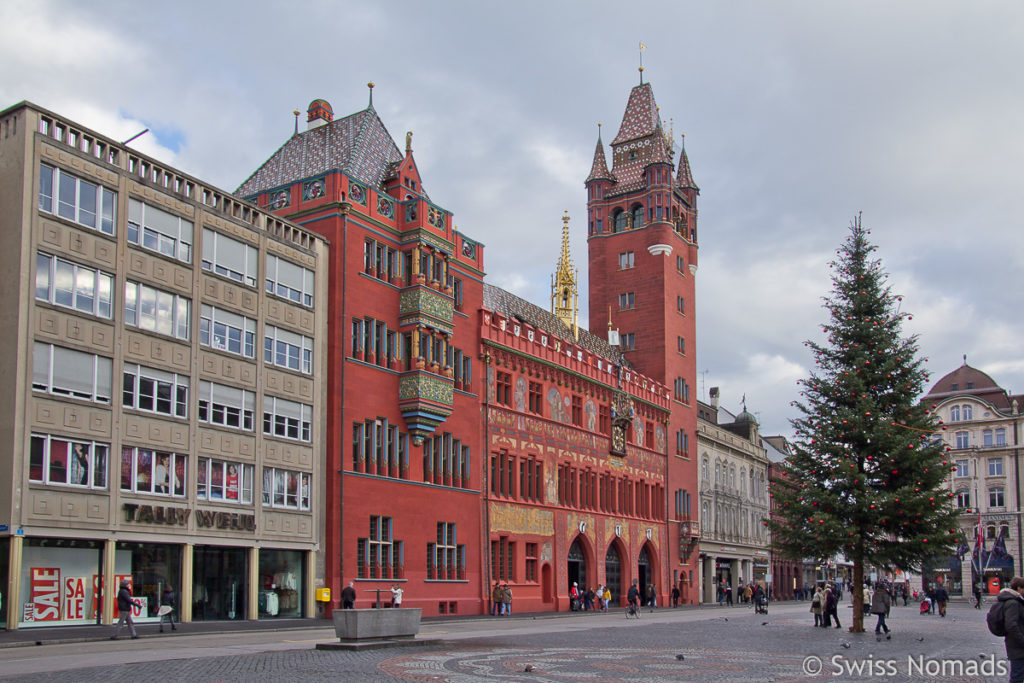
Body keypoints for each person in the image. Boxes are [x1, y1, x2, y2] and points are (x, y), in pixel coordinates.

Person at [999, 576, 1024, 683]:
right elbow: (1011, 625)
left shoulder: (1016, 601)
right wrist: (1022, 640)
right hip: (1017, 648)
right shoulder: (1013, 603)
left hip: (1017, 646)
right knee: (1017, 677)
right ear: (1019, 588)